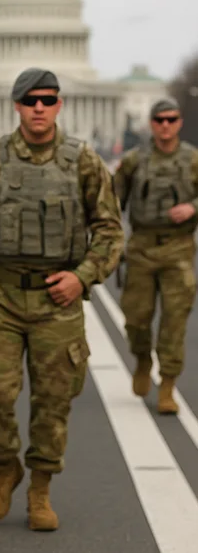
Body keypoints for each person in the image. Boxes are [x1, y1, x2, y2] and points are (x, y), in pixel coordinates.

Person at [0, 68, 123, 531]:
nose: (38, 107)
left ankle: (40, 487)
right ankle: (6, 466)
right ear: (17, 105)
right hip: (0, 294)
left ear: (59, 104)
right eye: (29, 100)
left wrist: (82, 278)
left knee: (54, 400)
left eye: (47, 99)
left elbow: (110, 232)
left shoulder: (83, 162)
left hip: (58, 298)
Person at [113, 98, 198, 414]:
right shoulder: (135, 161)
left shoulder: (193, 160)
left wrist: (193, 207)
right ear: (152, 123)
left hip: (178, 248)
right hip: (142, 247)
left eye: (171, 119)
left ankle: (168, 387)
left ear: (178, 122)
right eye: (160, 119)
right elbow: (112, 200)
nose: (165, 125)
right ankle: (142, 358)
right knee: (136, 318)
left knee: (174, 321)